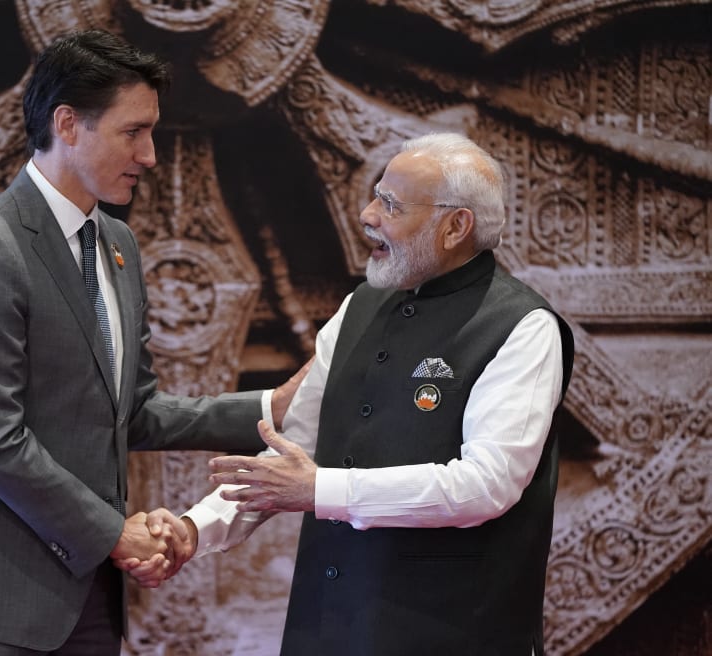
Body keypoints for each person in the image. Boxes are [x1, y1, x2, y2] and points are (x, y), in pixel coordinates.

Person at [0, 29, 303, 655]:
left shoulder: (117, 245)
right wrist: (114, 534)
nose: (151, 155)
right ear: (68, 124)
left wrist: (267, 408)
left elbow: (130, 410)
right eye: (133, 132)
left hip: (87, 598)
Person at [134, 133, 575, 655]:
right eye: (375, 196)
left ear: (456, 226)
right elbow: (291, 454)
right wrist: (192, 530)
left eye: (391, 205)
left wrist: (322, 490)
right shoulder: (359, 307)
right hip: (328, 626)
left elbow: (487, 484)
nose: (367, 215)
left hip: (451, 633)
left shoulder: (522, 327)